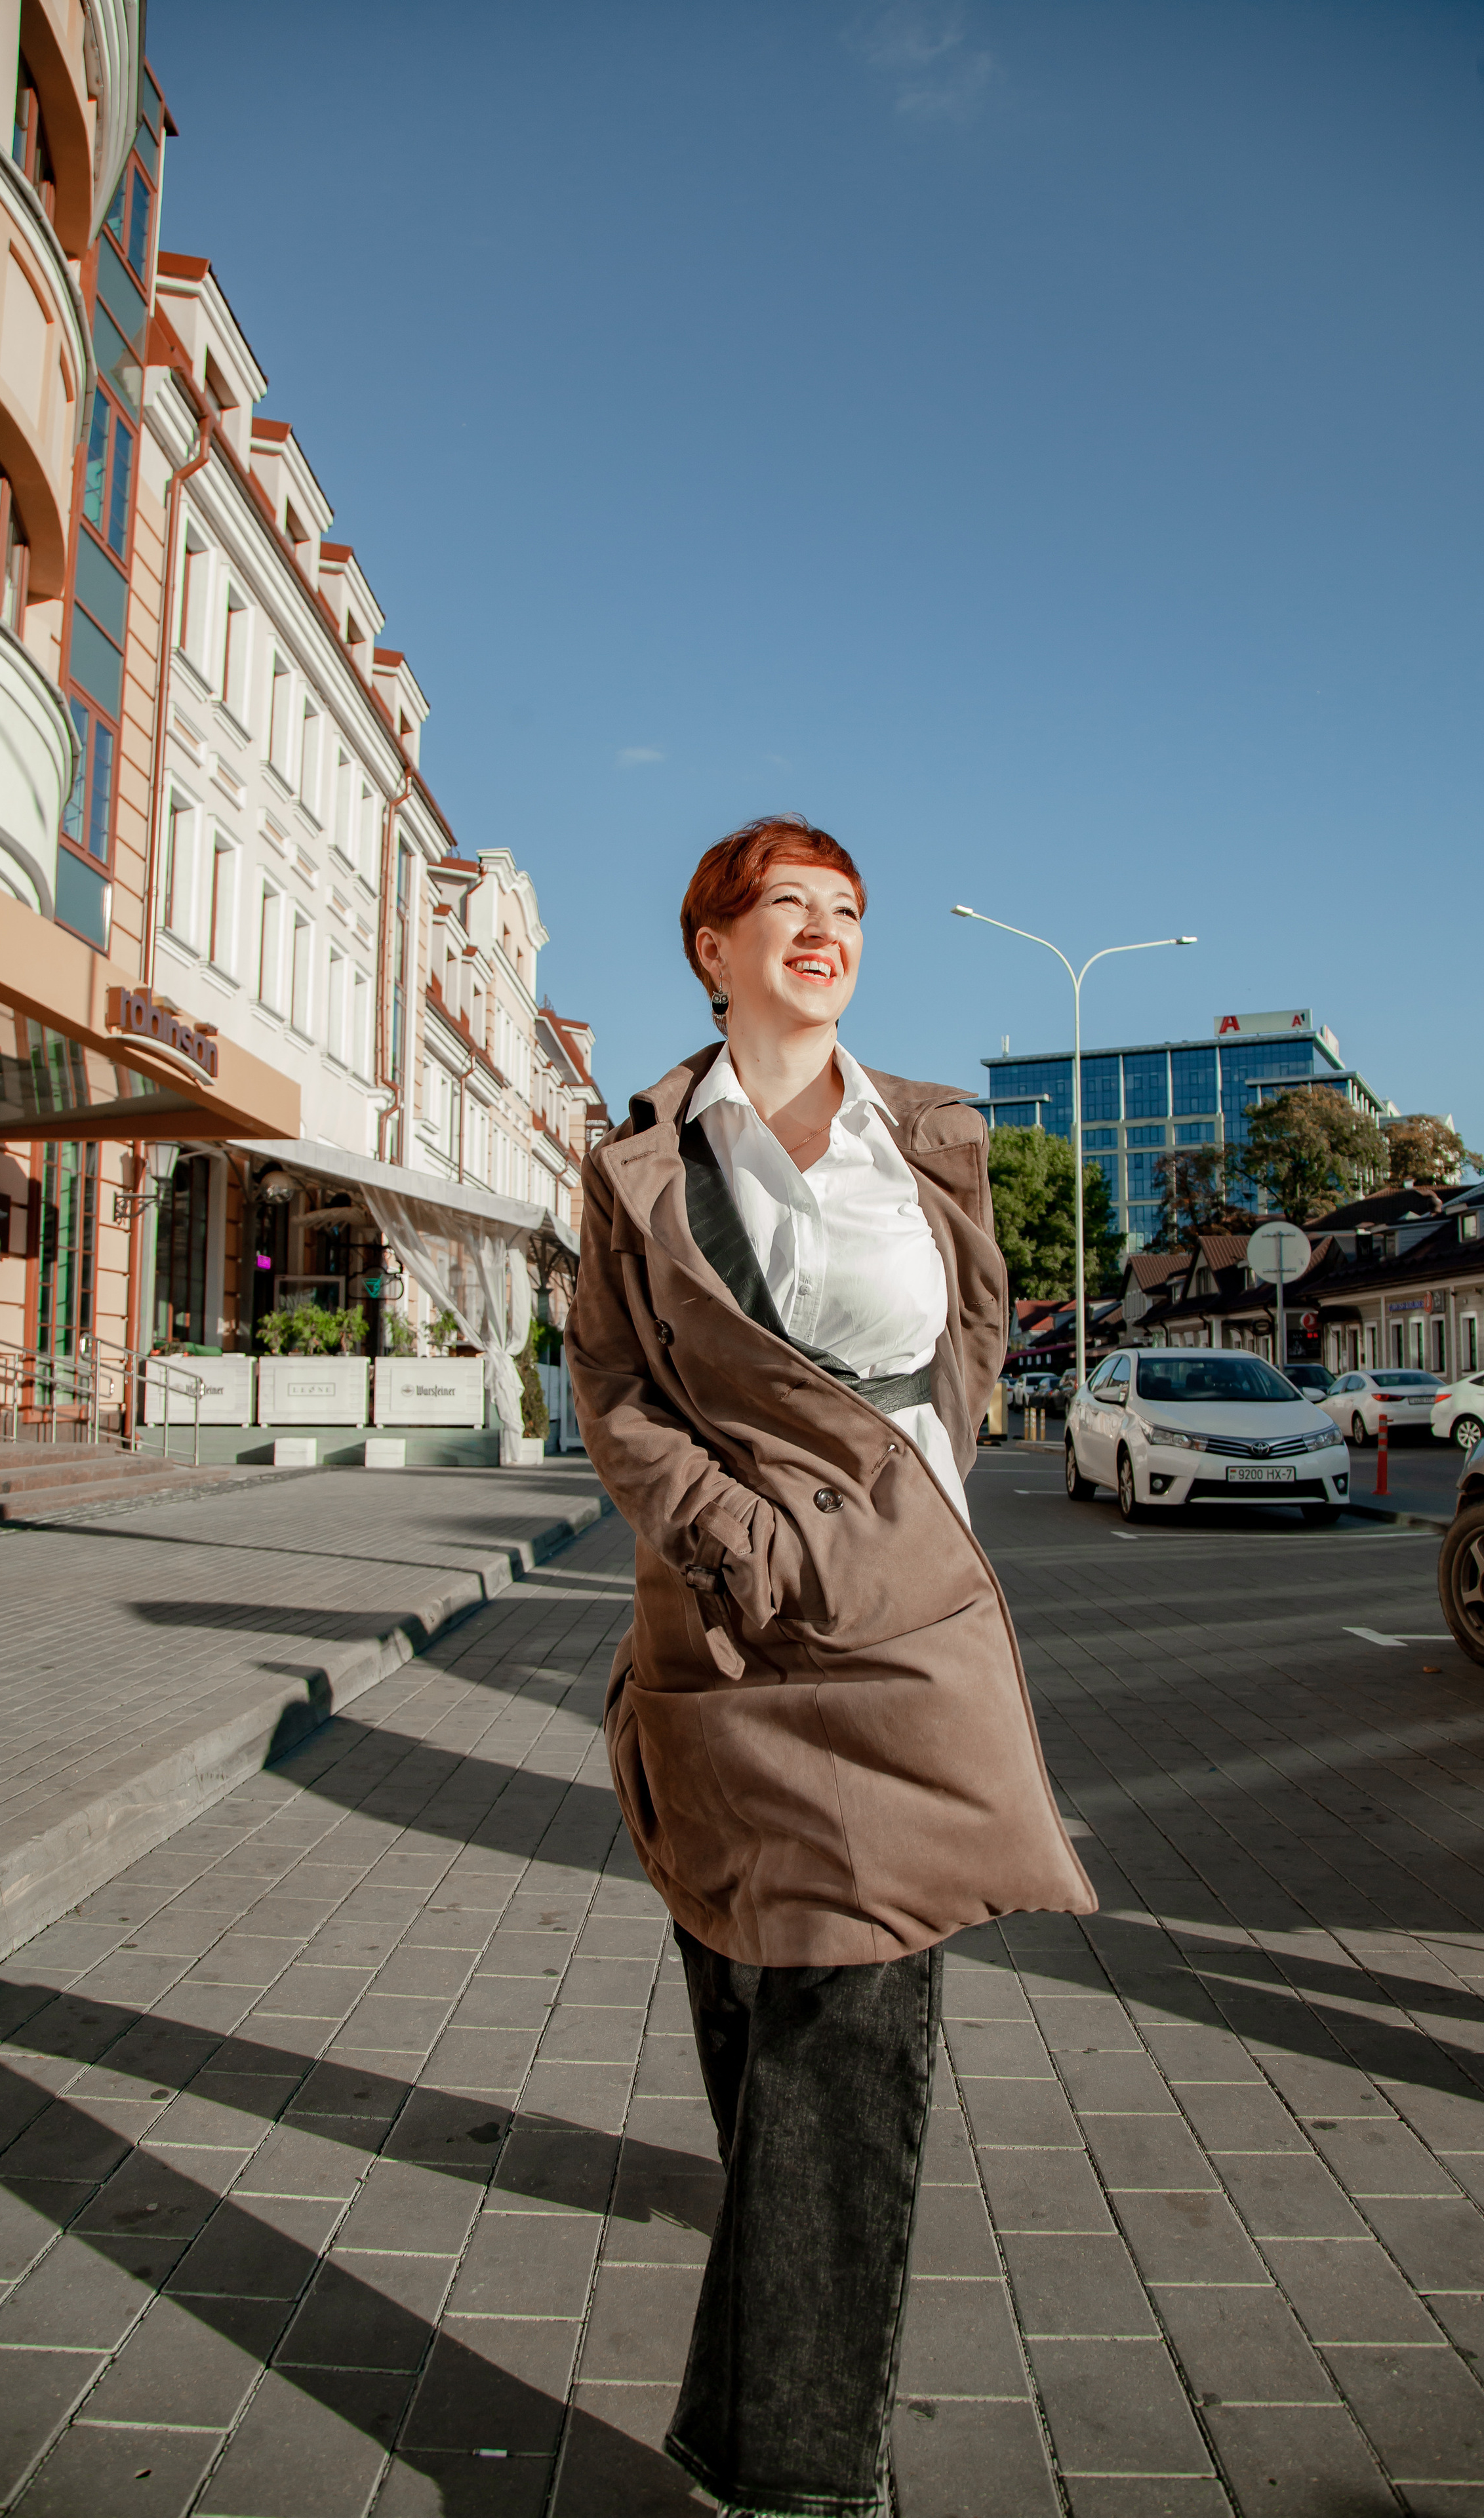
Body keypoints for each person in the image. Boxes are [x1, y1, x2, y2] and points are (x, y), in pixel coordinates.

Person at [566, 816, 1094, 2518]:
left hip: (895, 1640)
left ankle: (787, 2481)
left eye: (845, 910)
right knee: (751, 2016)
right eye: (783, 906)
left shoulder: (924, 1136)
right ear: (708, 946)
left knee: (842, 2051)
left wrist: (878, 1523)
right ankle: (775, 2434)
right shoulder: (641, 1158)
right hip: (717, 1640)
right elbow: (618, 1397)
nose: (822, 930)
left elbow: (976, 1339)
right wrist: (743, 1540)